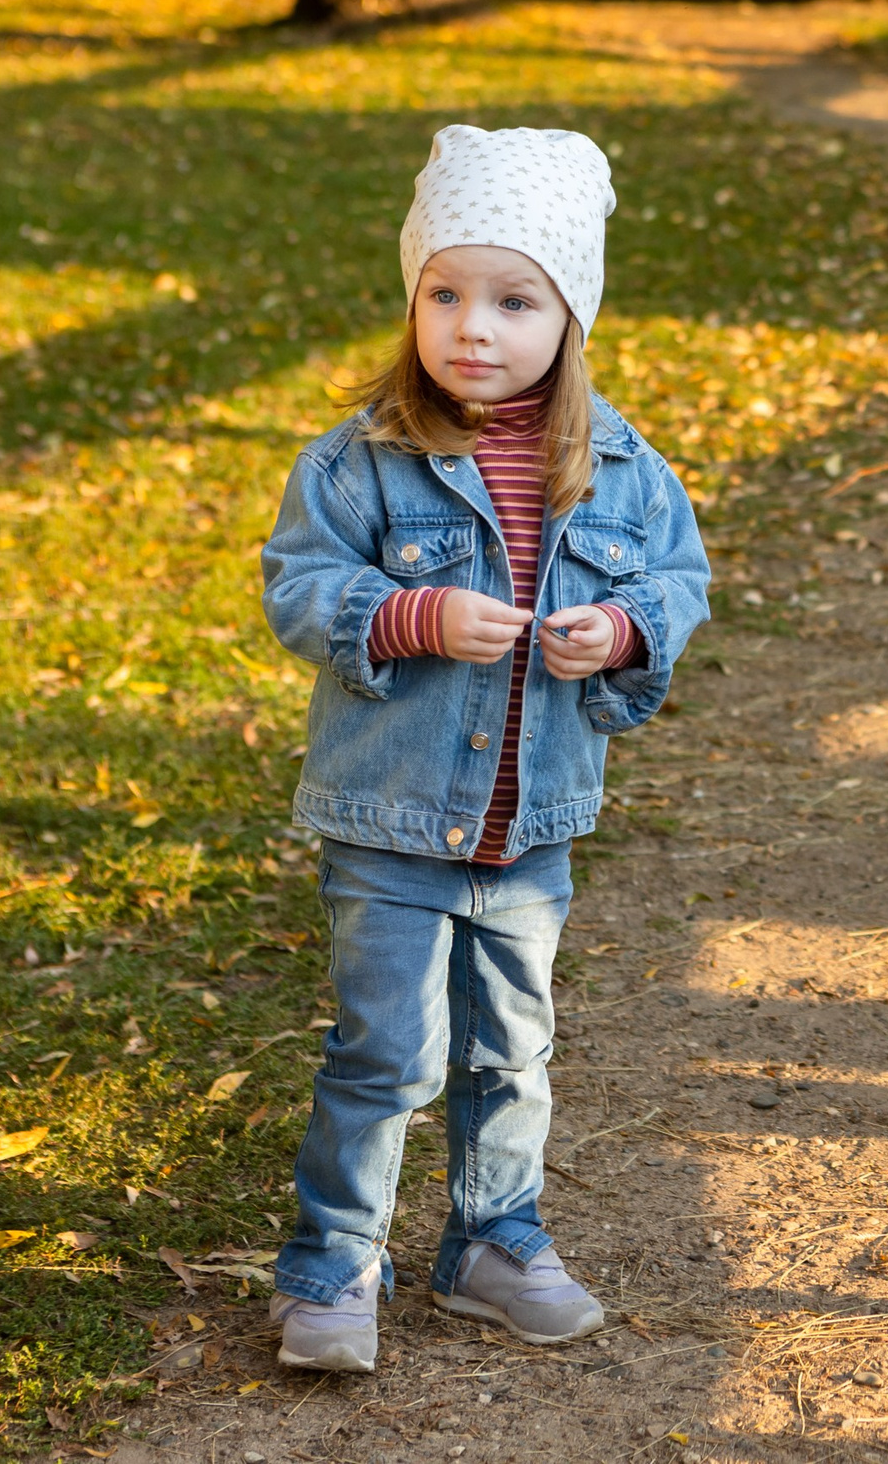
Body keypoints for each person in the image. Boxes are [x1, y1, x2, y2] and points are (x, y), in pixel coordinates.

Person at [259, 125, 710, 1373]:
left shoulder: (619, 469)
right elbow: (300, 585)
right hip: (391, 821)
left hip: (530, 827)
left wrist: (619, 630)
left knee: (512, 1046)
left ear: (570, 317)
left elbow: (681, 583)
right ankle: (334, 1265)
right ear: (411, 298)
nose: (474, 327)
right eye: (443, 293)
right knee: (385, 1050)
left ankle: (493, 1243)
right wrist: (409, 614)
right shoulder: (360, 463)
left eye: (515, 300)